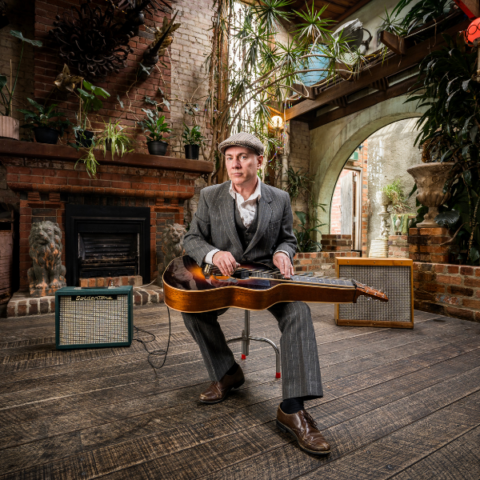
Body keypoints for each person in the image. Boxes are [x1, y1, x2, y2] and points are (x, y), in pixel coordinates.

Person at [181, 132, 330, 455]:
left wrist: (283, 254)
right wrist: (213, 253)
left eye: (243, 157)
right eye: (230, 158)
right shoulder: (209, 196)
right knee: (191, 308)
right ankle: (227, 372)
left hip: (267, 278)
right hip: (223, 279)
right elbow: (191, 239)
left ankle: (293, 409)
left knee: (299, 313)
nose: (235, 164)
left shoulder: (281, 198)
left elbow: (288, 240)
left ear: (259, 160)